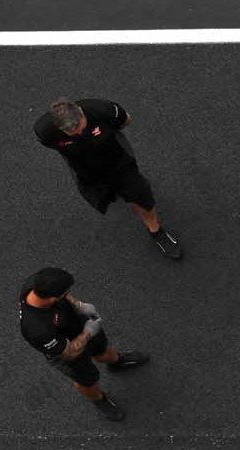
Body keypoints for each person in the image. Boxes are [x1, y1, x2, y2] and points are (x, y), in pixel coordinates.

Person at [35, 98, 183, 260]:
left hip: (117, 162)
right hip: (86, 171)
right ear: (58, 127)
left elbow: (126, 120)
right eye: (72, 133)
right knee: (104, 198)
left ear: (81, 113)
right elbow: (50, 143)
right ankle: (114, 192)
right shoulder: (44, 131)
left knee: (141, 195)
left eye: (80, 128)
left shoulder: (102, 110)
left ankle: (156, 231)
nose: (79, 133)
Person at [18, 267, 148, 422]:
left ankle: (116, 362)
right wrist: (88, 332)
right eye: (65, 293)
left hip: (73, 323)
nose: (68, 294)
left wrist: (78, 305)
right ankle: (99, 399)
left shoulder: (37, 283)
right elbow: (69, 353)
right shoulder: (37, 329)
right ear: (53, 299)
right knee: (86, 379)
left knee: (101, 349)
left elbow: (64, 294)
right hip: (63, 348)